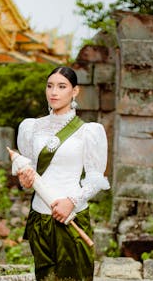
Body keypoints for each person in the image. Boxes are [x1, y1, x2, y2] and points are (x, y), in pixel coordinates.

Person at [15, 66, 110, 280]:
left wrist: (71, 201)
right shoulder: (32, 127)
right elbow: (28, 177)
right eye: (49, 86)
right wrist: (25, 181)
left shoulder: (88, 132)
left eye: (61, 86)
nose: (53, 92)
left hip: (71, 216)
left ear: (74, 92)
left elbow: (96, 180)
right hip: (40, 217)